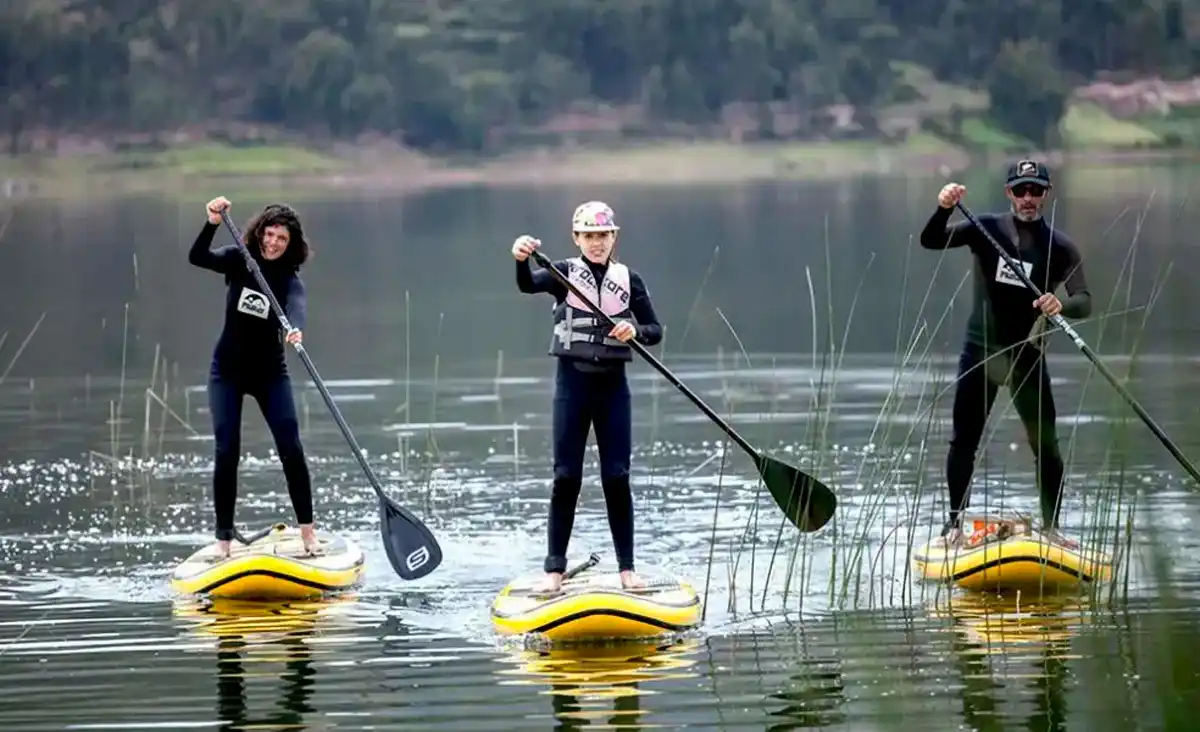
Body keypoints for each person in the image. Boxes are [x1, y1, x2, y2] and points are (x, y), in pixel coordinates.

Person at [919, 160, 1092, 546]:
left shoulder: (1060, 247)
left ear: (1046, 193)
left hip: (1026, 355)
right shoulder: (985, 229)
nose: (1028, 198)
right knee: (965, 439)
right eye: (1020, 190)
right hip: (981, 352)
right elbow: (931, 240)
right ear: (1008, 193)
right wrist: (944, 207)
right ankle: (953, 526)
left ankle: (1051, 530)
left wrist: (1060, 304)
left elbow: (1085, 300)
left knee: (1045, 444)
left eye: (1035, 190)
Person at [511, 200, 664, 592]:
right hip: (572, 388)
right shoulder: (562, 273)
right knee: (566, 478)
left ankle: (627, 569)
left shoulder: (630, 280)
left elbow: (654, 328)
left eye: (603, 236)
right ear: (577, 238)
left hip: (613, 390)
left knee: (617, 477)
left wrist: (635, 330)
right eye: (589, 236)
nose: (597, 243)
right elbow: (528, 283)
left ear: (614, 237)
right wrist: (520, 258)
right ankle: (554, 571)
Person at [189, 196, 319, 557]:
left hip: (269, 374)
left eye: (283, 238)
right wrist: (212, 222)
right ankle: (223, 542)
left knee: (290, 447)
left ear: (291, 244)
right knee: (226, 450)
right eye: (270, 234)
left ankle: (308, 534)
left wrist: (296, 329)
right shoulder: (239, 260)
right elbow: (198, 257)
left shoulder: (289, 280)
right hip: (226, 372)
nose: (274, 242)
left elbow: (297, 307)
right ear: (260, 233)